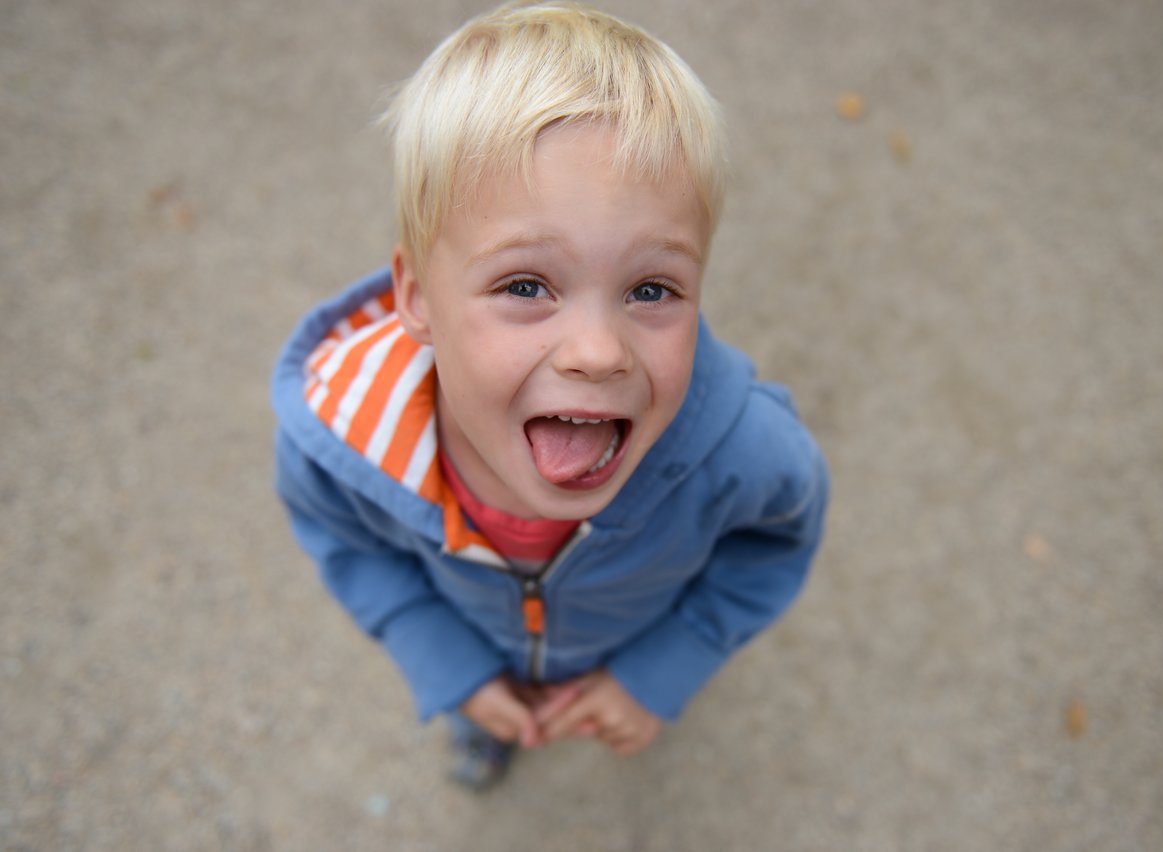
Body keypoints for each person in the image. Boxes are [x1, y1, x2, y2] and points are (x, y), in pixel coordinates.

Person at [271, 0, 828, 790]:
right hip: (474, 646)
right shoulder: (342, 444)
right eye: (526, 284)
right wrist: (448, 666)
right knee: (478, 704)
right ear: (419, 296)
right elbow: (349, 546)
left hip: (632, 645)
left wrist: (663, 671)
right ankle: (481, 725)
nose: (599, 351)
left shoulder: (744, 452)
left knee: (636, 698)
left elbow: (774, 545)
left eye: (651, 288)